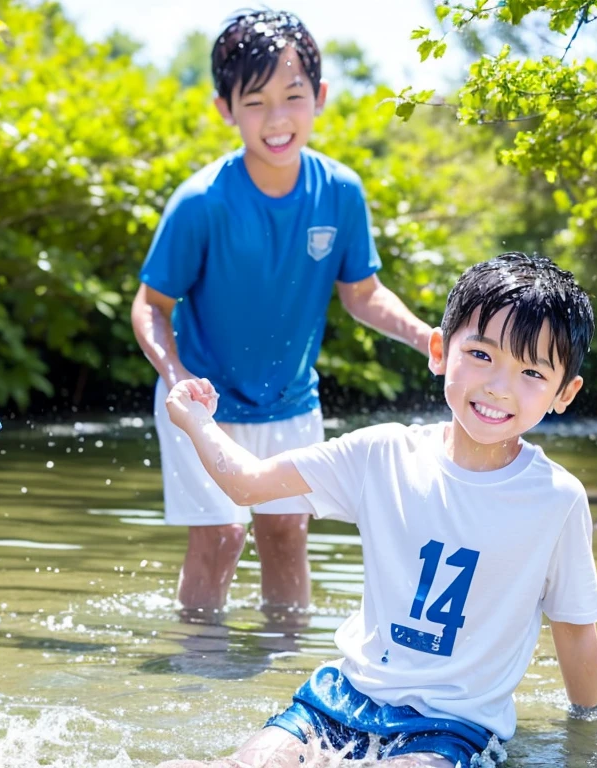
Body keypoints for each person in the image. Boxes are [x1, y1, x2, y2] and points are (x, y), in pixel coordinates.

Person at [159, 252, 597, 767]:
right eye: (481, 355)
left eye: (530, 371)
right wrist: (195, 420)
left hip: (452, 727)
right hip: (339, 700)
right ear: (439, 350)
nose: (499, 386)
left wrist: (587, 731)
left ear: (564, 392)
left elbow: (574, 626)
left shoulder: (557, 499)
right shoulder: (381, 454)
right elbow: (248, 484)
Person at [131, 9, 433, 616]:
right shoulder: (201, 201)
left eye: (293, 97)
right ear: (225, 108)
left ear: (319, 97)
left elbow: (362, 293)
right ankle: (199, 668)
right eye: (255, 102)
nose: (277, 120)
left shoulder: (341, 191)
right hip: (203, 405)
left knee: (287, 535)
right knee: (221, 538)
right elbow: (150, 306)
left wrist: (426, 336)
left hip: (293, 401)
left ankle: (286, 672)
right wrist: (177, 376)